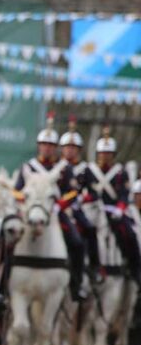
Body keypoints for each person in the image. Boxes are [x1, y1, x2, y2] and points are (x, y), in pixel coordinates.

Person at [14, 115, 88, 300]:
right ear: (39, 146)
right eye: (44, 144)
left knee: (77, 243)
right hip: (31, 212)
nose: (47, 147)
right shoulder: (29, 167)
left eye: (50, 145)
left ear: (56, 148)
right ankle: (4, 280)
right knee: (10, 239)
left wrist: (58, 205)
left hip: (56, 213)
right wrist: (26, 201)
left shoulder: (63, 168)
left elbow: (73, 191)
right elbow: (17, 191)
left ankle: (75, 284)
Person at [81, 128, 141, 286]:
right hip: (93, 210)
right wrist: (86, 200)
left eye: (108, 153)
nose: (105, 156)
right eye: (102, 153)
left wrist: (120, 209)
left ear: (113, 155)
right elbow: (82, 191)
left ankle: (133, 267)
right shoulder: (89, 170)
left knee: (129, 234)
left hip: (114, 211)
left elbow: (124, 194)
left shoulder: (120, 172)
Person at [59, 117, 102, 278]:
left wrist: (85, 199)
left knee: (90, 229)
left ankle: (94, 265)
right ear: (62, 149)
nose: (70, 150)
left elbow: (94, 192)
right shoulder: (58, 167)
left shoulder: (85, 169)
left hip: (76, 208)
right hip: (56, 206)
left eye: (73, 147)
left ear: (79, 150)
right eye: (67, 147)